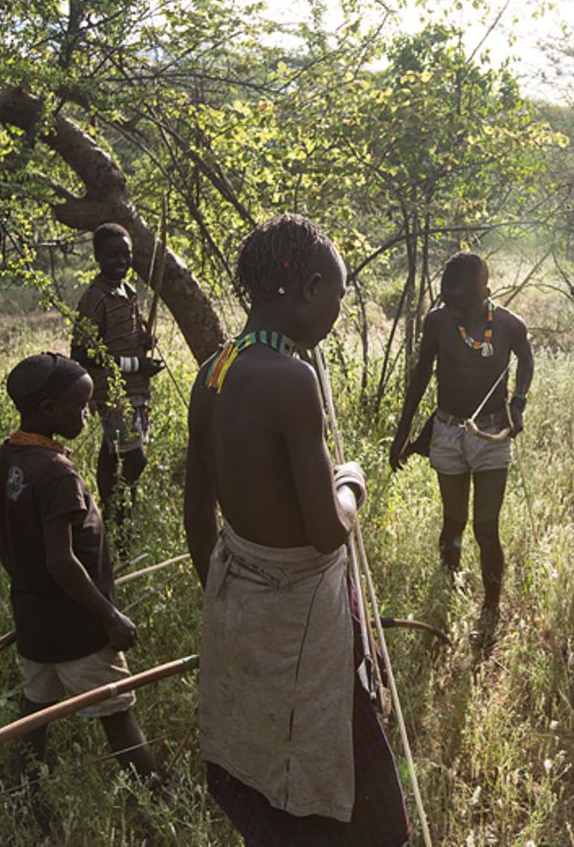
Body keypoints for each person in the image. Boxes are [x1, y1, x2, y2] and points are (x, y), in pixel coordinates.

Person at [183, 213, 409, 846]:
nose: (336, 312)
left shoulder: (215, 371)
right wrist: (351, 484)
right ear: (308, 288)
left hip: (239, 604)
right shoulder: (290, 378)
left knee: (259, 765)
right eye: (337, 297)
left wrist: (231, 600)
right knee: (340, 790)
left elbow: (196, 515)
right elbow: (325, 532)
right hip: (303, 619)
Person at [0, 352, 157, 803]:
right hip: (78, 625)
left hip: (34, 620)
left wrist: (33, 593)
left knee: (35, 713)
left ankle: (23, 799)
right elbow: (62, 562)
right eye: (80, 407)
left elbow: (6, 539)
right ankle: (160, 801)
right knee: (117, 712)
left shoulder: (7, 458)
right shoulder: (57, 473)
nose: (87, 413)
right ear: (47, 411)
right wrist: (110, 617)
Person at [389, 252, 534, 618]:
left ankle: (491, 606)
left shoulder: (509, 326)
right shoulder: (437, 322)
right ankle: (448, 591)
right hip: (447, 431)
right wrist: (402, 433)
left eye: (463, 304)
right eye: (447, 301)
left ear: (486, 292)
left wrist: (517, 402)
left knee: (487, 528)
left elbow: (527, 359)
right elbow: (421, 373)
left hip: (491, 434)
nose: (454, 310)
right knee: (453, 521)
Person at [71, 222, 163, 552]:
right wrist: (137, 365)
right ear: (98, 257)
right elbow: (82, 353)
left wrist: (144, 340)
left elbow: (131, 337)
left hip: (137, 390)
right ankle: (117, 513)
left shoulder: (129, 292)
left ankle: (112, 525)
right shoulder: (94, 299)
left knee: (114, 453)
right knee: (135, 459)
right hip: (111, 393)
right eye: (113, 255)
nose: (121, 261)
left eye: (126, 254)